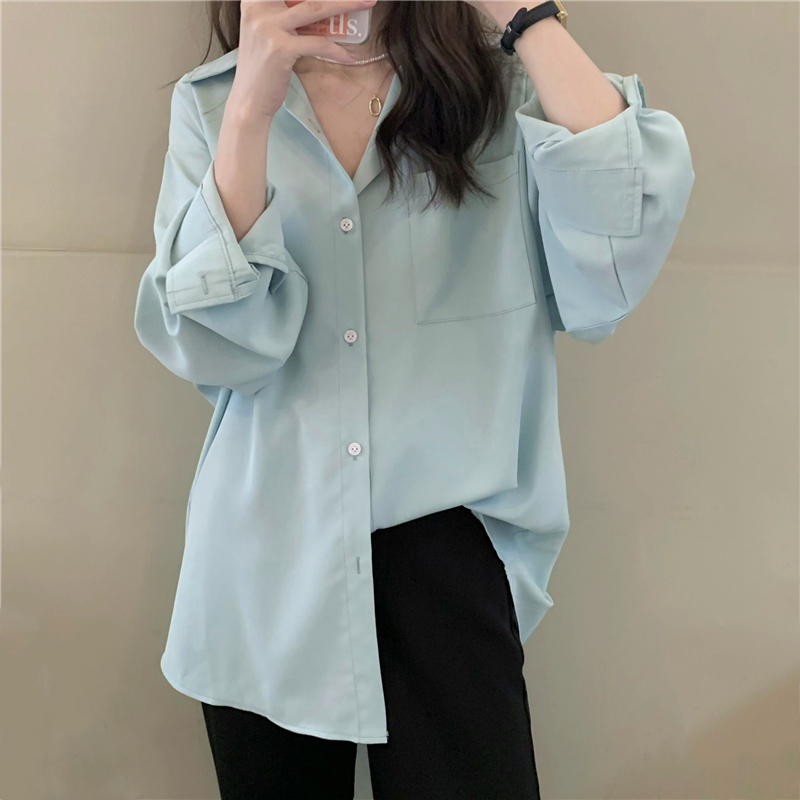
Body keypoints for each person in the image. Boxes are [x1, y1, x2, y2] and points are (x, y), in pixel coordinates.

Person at [134, 0, 695, 797]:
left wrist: (526, 15)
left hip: (452, 555)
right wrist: (251, 113)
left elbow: (618, 253)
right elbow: (218, 349)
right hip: (263, 560)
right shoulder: (214, 105)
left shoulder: (505, 97)